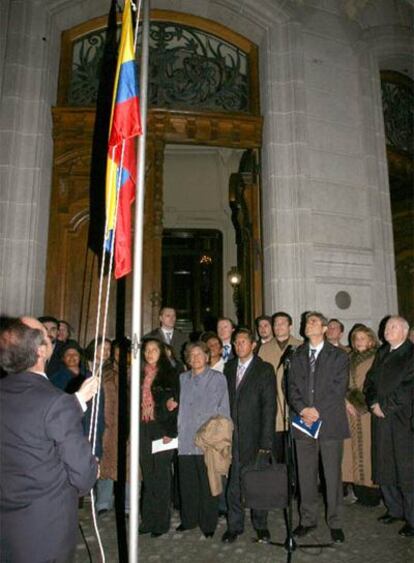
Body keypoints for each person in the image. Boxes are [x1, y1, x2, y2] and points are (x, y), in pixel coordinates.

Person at [0, 317, 98, 563]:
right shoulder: (55, 402)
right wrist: (91, 470)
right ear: (42, 351)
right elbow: (83, 476)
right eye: (46, 334)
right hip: (44, 527)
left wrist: (76, 402)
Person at [288, 311, 349, 544]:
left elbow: (338, 388)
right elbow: (291, 385)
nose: (307, 325)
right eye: (306, 322)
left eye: (313, 322)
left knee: (332, 474)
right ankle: (307, 520)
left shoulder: (338, 356)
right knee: (306, 474)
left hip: (330, 421)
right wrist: (303, 409)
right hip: (304, 422)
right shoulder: (297, 354)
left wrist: (317, 410)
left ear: (324, 328)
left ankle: (335, 522)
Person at [222, 328, 276, 544]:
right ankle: (234, 526)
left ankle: (261, 525)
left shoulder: (264, 369)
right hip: (233, 437)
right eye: (236, 342)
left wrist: (266, 443)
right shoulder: (229, 368)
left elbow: (269, 407)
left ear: (253, 345)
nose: (239, 345)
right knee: (234, 484)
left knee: (257, 482)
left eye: (243, 342)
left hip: (255, 437)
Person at [364, 315, 414, 537]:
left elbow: (408, 387)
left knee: (406, 470)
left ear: (404, 331)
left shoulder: (411, 353)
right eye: (385, 326)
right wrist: (373, 402)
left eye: (392, 326)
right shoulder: (382, 352)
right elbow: (370, 381)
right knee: (384, 465)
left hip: (403, 420)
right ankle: (394, 509)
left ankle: (412, 519)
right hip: (381, 418)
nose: (386, 329)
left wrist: (386, 406)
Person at [176, 341, 230, 538]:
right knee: (187, 483)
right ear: (188, 359)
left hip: (208, 439)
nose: (196, 358)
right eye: (192, 355)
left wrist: (218, 439)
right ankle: (189, 520)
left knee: (209, 484)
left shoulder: (218, 378)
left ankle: (208, 524)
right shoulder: (182, 379)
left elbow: (224, 410)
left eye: (200, 354)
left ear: (207, 357)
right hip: (185, 439)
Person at [139, 338, 179, 537]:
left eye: (154, 349)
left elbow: (175, 405)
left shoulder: (170, 374)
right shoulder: (138, 375)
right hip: (143, 427)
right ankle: (148, 520)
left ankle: (161, 522)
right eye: (146, 350)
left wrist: (170, 432)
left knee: (161, 474)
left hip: (162, 427)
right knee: (148, 475)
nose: (149, 353)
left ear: (162, 352)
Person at [342, 325, 380, 506]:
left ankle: (372, 492)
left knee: (368, 447)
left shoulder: (377, 357)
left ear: (371, 340)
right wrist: (347, 401)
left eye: (363, 338)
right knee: (352, 450)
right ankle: (357, 489)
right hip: (349, 410)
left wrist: (363, 403)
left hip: (367, 411)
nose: (359, 342)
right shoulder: (349, 358)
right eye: (356, 339)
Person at [258, 311, 302, 462]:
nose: (279, 326)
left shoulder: (301, 346)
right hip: (274, 411)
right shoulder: (264, 349)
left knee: (297, 458)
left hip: (296, 409)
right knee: (278, 458)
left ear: (290, 326)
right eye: (276, 324)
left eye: (283, 323)